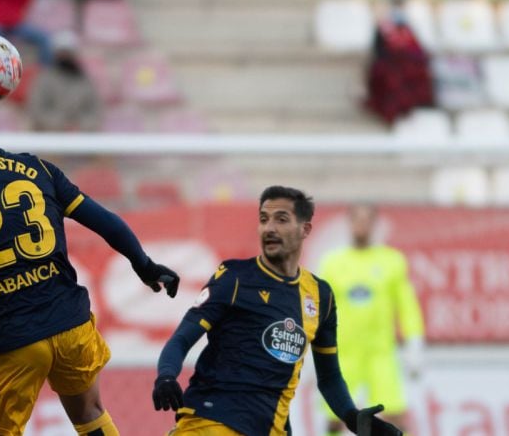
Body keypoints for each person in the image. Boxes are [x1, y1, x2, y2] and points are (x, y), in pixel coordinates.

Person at [0, 89, 180, 436]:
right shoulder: (38, 168)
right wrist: (144, 265)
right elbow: (105, 220)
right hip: (69, 323)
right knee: (90, 413)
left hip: (9, 336)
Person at [152, 186, 402, 436]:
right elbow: (182, 338)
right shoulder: (234, 278)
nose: (269, 227)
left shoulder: (319, 295)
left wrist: (353, 418)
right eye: (264, 219)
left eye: (281, 219)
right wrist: (166, 376)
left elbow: (330, 377)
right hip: (211, 421)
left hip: (272, 428)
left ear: (305, 229)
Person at [319, 204, 424, 436]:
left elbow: (407, 307)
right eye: (357, 219)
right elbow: (320, 309)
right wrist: (312, 348)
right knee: (335, 419)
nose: (362, 225)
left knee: (395, 416)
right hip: (344, 354)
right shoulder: (333, 264)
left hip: (380, 353)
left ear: (375, 225)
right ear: (349, 223)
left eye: (367, 220)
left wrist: (414, 342)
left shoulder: (392, 261)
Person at [28, 31, 102, 132]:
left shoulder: (85, 80)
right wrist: (61, 125)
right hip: (50, 138)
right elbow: (37, 110)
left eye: (68, 53)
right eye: (62, 53)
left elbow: (95, 111)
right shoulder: (44, 79)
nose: (65, 57)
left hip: (80, 138)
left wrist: (79, 126)